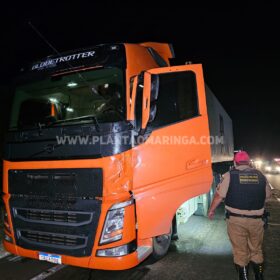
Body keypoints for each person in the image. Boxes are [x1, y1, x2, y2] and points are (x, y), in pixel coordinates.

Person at [208, 151, 271, 280]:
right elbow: (268, 196)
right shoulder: (260, 176)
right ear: (248, 162)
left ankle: (244, 278)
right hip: (257, 221)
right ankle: (259, 276)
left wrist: (211, 210)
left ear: (235, 162)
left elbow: (219, 196)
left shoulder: (229, 176)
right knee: (256, 250)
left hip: (236, 221)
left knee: (240, 252)